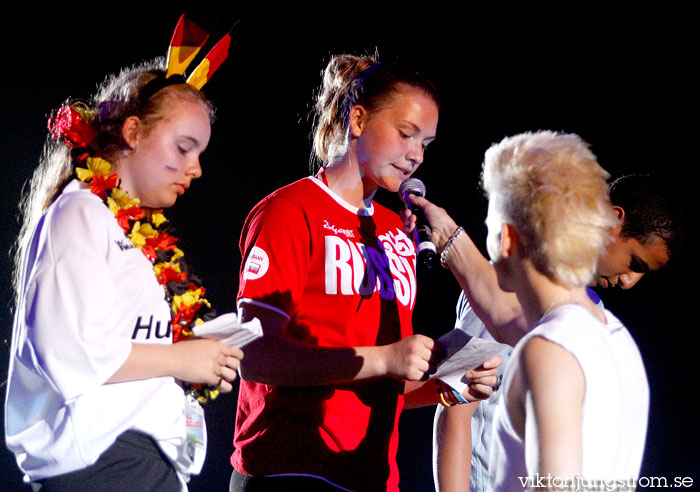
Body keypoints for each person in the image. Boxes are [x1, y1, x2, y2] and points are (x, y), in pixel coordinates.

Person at [230, 54, 500, 492]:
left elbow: (383, 385)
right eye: (406, 134)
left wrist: (448, 386)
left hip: (372, 476)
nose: (415, 156)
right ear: (358, 119)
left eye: (426, 144)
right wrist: (386, 357)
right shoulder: (289, 211)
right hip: (290, 468)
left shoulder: (397, 230)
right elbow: (254, 356)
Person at [5, 16, 243, 492]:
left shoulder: (136, 237)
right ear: (133, 133)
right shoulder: (79, 214)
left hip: (146, 462)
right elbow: (66, 351)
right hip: (100, 464)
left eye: (200, 153)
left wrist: (198, 352)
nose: (195, 169)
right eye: (184, 147)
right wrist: (181, 360)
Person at [403, 172, 681, 491]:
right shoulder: (517, 283)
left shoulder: (594, 309)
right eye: (635, 262)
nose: (630, 281)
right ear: (613, 221)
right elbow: (455, 406)